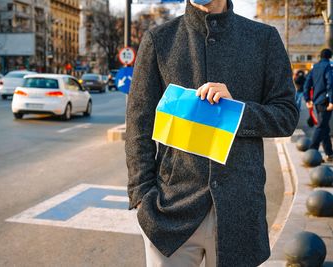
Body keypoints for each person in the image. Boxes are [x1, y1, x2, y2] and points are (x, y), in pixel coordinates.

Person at [125, 0, 299, 266]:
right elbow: (139, 124)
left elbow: (286, 116)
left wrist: (236, 111)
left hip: (239, 211)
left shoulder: (263, 39)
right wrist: (142, 197)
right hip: (170, 211)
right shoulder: (159, 39)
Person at [304, 48, 333, 161]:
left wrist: (307, 100)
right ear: (329, 57)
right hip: (325, 102)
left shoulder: (314, 67)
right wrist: (331, 101)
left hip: (316, 101)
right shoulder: (328, 67)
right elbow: (330, 84)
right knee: (321, 126)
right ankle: (312, 150)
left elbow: (307, 84)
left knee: (324, 126)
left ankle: (329, 153)